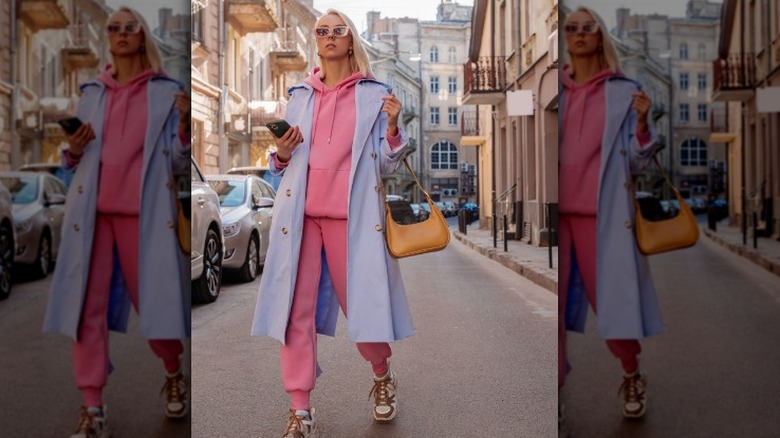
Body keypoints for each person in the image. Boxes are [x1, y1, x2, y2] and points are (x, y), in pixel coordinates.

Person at [250, 9, 413, 438]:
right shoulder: (299, 94)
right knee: (294, 314)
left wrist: (394, 128)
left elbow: (388, 164)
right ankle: (300, 409)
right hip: (301, 222)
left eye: (337, 30)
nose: (328, 36)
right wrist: (282, 153)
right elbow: (281, 166)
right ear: (316, 41)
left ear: (350, 38)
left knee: (363, 309)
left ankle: (381, 375)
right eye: (321, 30)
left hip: (351, 219)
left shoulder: (376, 94)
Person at [42, 6, 191, 438]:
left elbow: (178, 162)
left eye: (130, 27)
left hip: (145, 217)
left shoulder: (168, 92)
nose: (122, 33)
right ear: (107, 38)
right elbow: (72, 163)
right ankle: (93, 407)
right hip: (93, 218)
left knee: (156, 304)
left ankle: (172, 368)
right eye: (114, 28)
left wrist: (183, 127)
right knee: (86, 309)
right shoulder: (91, 93)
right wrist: (71, 148)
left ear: (142, 37)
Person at [558, 6, 663, 431]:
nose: (580, 33)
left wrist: (642, 123)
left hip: (602, 217)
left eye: (588, 28)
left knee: (612, 304)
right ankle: (556, 393)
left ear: (600, 37)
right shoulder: (558, 89)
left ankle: (631, 373)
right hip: (559, 216)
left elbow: (637, 164)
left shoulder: (624, 91)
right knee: (556, 313)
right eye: (572, 27)